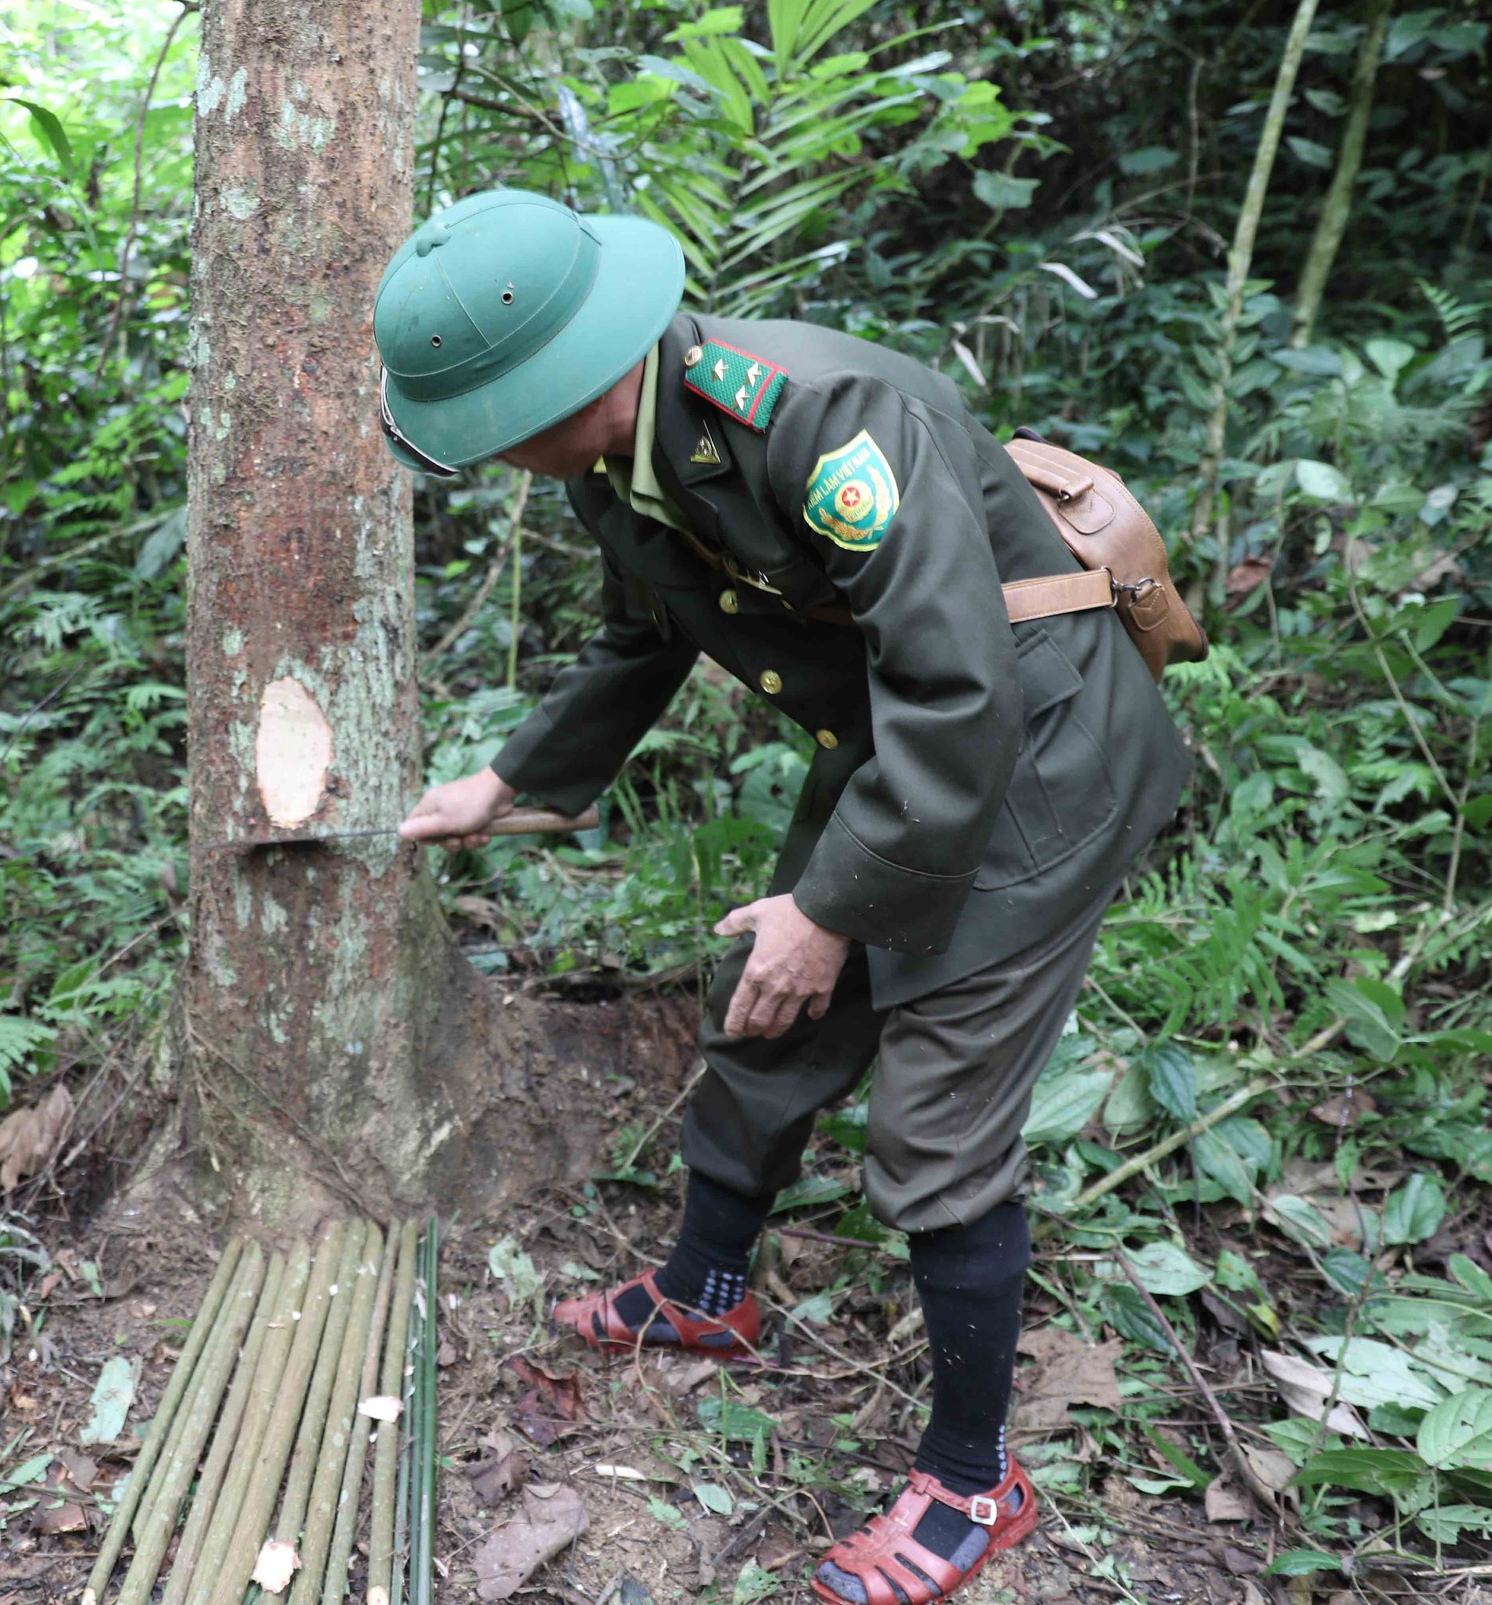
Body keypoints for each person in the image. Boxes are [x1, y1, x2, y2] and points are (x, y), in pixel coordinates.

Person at [380, 189, 1190, 1605]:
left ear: (567, 381)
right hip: (909, 747)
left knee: (934, 1111)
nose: (489, 453)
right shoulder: (607, 461)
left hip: (1036, 752)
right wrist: (510, 785)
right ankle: (706, 1290)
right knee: (762, 998)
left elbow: (962, 682)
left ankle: (973, 1478)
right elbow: (648, 638)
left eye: (493, 417)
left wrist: (834, 910)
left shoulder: (817, 424)